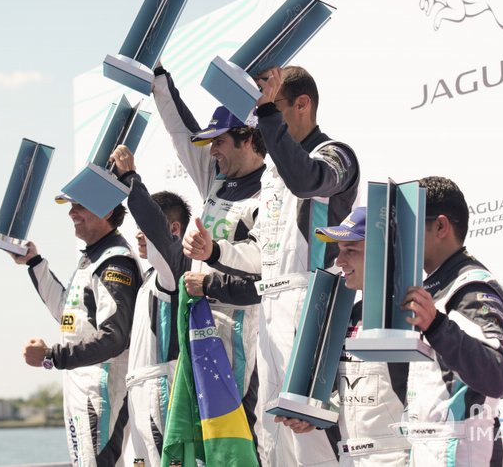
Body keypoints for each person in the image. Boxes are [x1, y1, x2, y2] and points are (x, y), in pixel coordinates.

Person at [182, 66, 360, 466]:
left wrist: (264, 113)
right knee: (272, 437)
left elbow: (308, 181)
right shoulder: (274, 173)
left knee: (312, 435)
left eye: (271, 106)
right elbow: (264, 254)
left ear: (302, 104)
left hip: (312, 305)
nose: (261, 119)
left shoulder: (335, 155)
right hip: (271, 307)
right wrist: (215, 254)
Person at [152, 66, 267, 457]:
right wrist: (160, 82)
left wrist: (213, 270)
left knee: (232, 443)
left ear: (248, 138)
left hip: (237, 335)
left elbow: (264, 273)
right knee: (200, 445)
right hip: (198, 326)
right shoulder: (216, 179)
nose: (212, 151)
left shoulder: (270, 194)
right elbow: (182, 134)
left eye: (219, 142)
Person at [12, 201, 142, 467]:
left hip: (103, 385)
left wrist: (51, 356)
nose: (72, 213)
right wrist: (34, 262)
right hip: (83, 382)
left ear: (106, 210)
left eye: (80, 205)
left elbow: (113, 338)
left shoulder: (115, 260)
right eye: (71, 206)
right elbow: (68, 314)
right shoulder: (93, 257)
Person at [278, 207, 411, 467]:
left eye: (350, 250)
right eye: (339, 250)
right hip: (350, 458)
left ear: (382, 254)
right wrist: (314, 415)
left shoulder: (410, 317)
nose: (339, 261)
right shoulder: (350, 315)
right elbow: (356, 395)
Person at [400, 176, 503, 466]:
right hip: (434, 447)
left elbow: (497, 376)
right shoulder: (435, 287)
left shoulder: (471, 287)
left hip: (463, 451)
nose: (401, 237)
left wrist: (437, 325)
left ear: (440, 226)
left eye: (408, 225)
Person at [109, 145, 193, 466]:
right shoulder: (148, 280)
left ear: (173, 230)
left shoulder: (175, 269)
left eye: (144, 229)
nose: (138, 235)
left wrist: (131, 179)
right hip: (139, 393)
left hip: (162, 390)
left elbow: (156, 232)